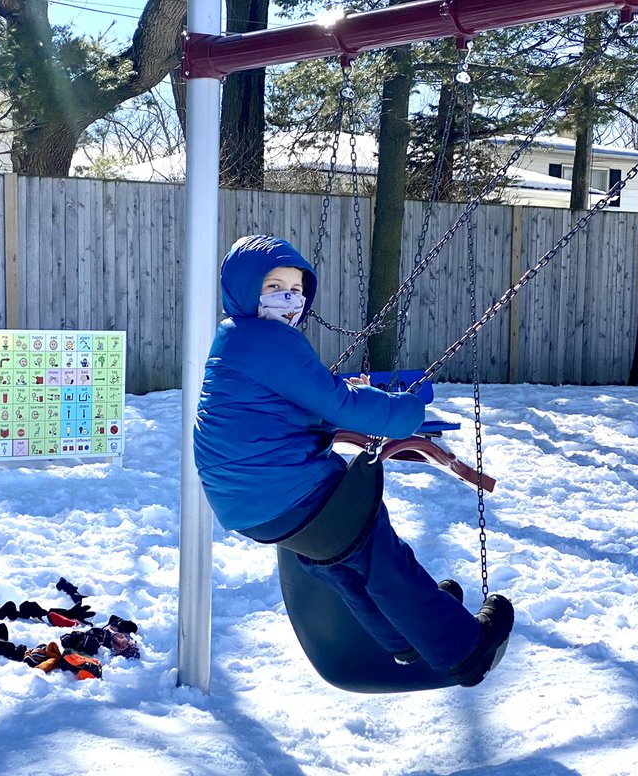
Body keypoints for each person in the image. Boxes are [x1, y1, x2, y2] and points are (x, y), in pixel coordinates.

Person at [193, 235, 512, 687]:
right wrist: (405, 412)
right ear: (244, 290)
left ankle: (400, 637)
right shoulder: (269, 340)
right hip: (288, 492)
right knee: (381, 557)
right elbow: (336, 403)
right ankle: (462, 648)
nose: (290, 299)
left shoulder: (234, 338)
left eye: (298, 289)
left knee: (338, 559)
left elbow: (283, 406)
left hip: (246, 506)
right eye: (274, 287)